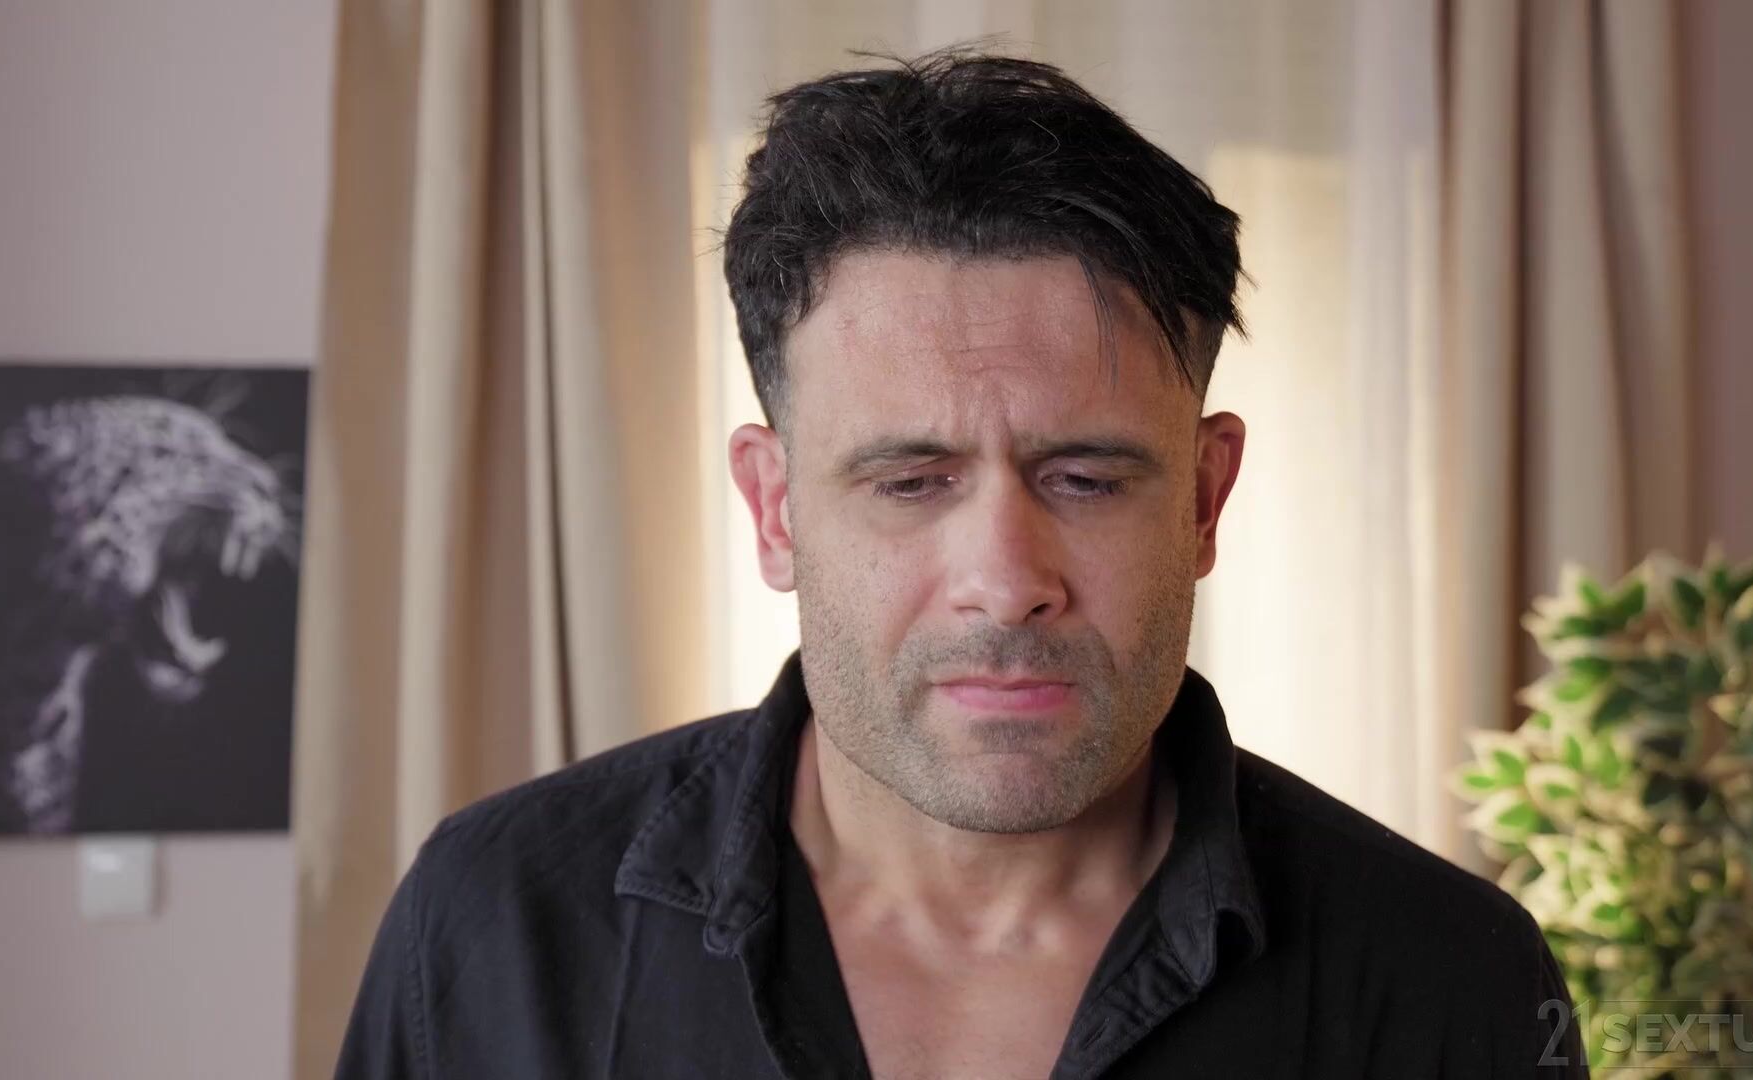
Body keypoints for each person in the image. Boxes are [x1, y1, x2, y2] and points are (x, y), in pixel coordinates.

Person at [338, 47, 1587, 1079]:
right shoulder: (496, 927)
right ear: (774, 510)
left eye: (1086, 479)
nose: (1006, 578)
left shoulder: (1450, 981)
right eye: (911, 483)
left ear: (1206, 500)